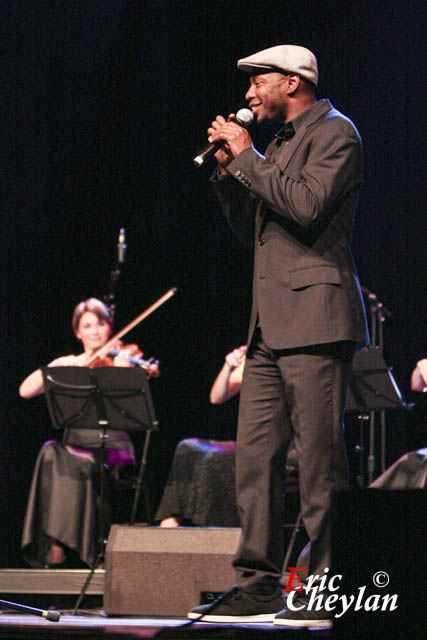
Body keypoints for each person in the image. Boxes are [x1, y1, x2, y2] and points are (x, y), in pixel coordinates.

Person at [187, 44, 369, 628]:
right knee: (255, 461)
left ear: (291, 82)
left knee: (319, 462)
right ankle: (259, 582)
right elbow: (255, 231)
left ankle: (328, 587)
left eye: (256, 82)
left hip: (316, 319)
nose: (247, 95)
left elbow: (307, 204)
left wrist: (247, 156)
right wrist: (228, 172)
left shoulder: (338, 134)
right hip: (267, 328)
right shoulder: (280, 146)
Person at [20, 298, 145, 568]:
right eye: (87, 325)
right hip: (75, 448)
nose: (95, 331)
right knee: (50, 451)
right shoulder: (70, 363)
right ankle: (55, 548)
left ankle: (68, 553)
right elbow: (25, 390)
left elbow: (131, 408)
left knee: (69, 462)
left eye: (101, 323)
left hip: (113, 448)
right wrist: (59, 368)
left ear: (110, 327)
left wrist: (124, 369)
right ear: (78, 332)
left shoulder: (120, 359)